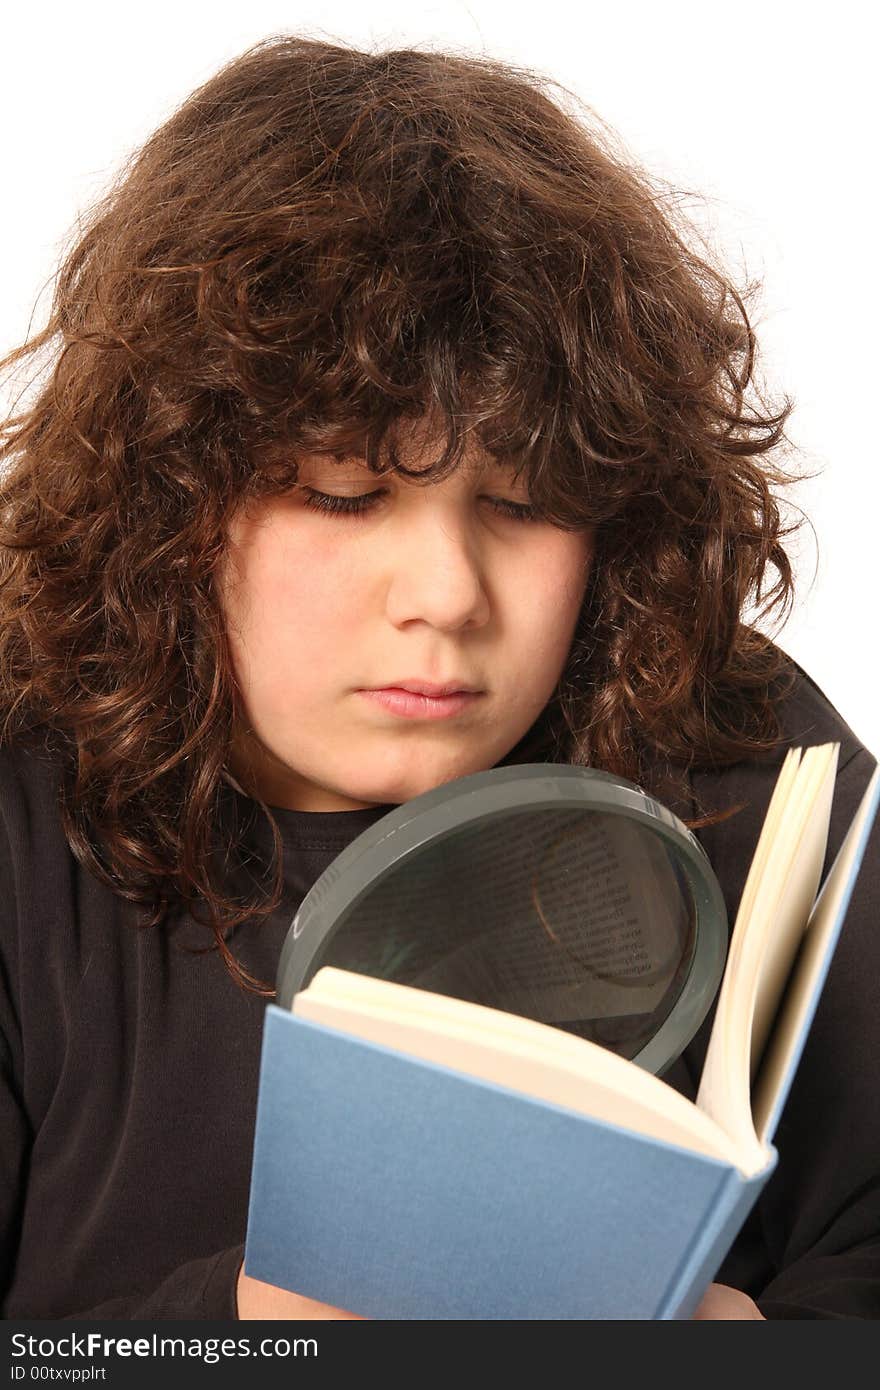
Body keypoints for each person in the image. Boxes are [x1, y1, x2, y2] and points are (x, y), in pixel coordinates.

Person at [0, 34, 876, 1322]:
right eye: (345, 494)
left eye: (524, 502)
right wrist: (237, 1338)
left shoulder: (748, 756)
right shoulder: (22, 799)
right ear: (170, 495)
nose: (450, 595)